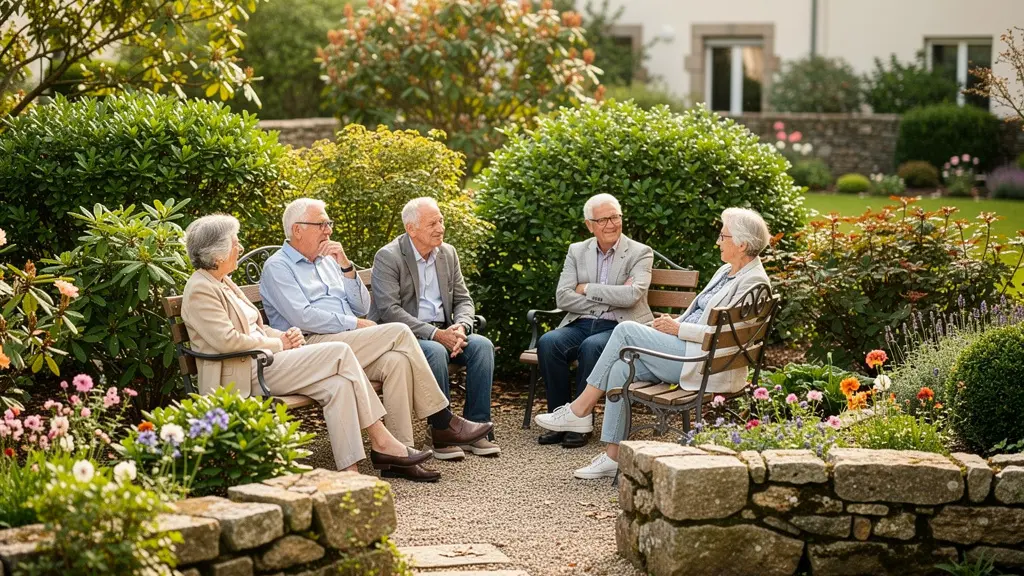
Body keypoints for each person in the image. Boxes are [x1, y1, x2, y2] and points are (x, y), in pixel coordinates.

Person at [181, 214, 441, 482]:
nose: (240, 248)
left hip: (264, 362)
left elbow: (253, 327)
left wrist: (283, 335)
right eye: (236, 243)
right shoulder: (201, 289)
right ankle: (383, 440)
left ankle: (349, 473)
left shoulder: (223, 282)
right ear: (218, 252)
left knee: (338, 384)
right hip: (244, 373)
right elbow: (228, 341)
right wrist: (277, 343)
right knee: (340, 351)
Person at [535, 207, 773, 479]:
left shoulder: (753, 281)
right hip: (687, 349)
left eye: (723, 236)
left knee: (625, 329)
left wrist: (678, 328)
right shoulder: (727, 271)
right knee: (620, 369)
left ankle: (580, 409)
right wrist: (670, 325)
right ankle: (613, 456)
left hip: (704, 363)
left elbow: (724, 335)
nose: (718, 241)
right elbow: (702, 316)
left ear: (741, 244)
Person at [258, 198, 492, 458]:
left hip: (347, 343)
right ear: (297, 229)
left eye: (329, 223)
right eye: (322, 224)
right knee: (399, 331)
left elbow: (361, 304)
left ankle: (400, 453)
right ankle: (443, 420)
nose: (329, 230)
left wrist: (346, 267)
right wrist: (355, 323)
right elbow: (302, 317)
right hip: (309, 347)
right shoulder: (278, 267)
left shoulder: (327, 261)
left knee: (396, 362)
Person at [370, 197, 497, 460]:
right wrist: (436, 335)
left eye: (441, 221)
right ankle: (441, 431)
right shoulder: (389, 256)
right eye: (432, 223)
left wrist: (461, 327)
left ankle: (476, 430)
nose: (440, 228)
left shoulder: (447, 253)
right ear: (411, 229)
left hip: (447, 331)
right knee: (435, 352)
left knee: (482, 346)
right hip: (407, 336)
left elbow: (463, 300)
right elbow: (389, 310)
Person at [536, 193, 653, 449]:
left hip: (621, 327)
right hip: (580, 323)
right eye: (603, 220)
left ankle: (581, 419)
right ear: (590, 224)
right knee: (549, 342)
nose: (611, 224)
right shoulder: (577, 251)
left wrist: (588, 287)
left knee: (592, 347)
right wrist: (613, 295)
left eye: (615, 217)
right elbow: (563, 297)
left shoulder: (640, 252)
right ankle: (560, 418)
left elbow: (632, 296)